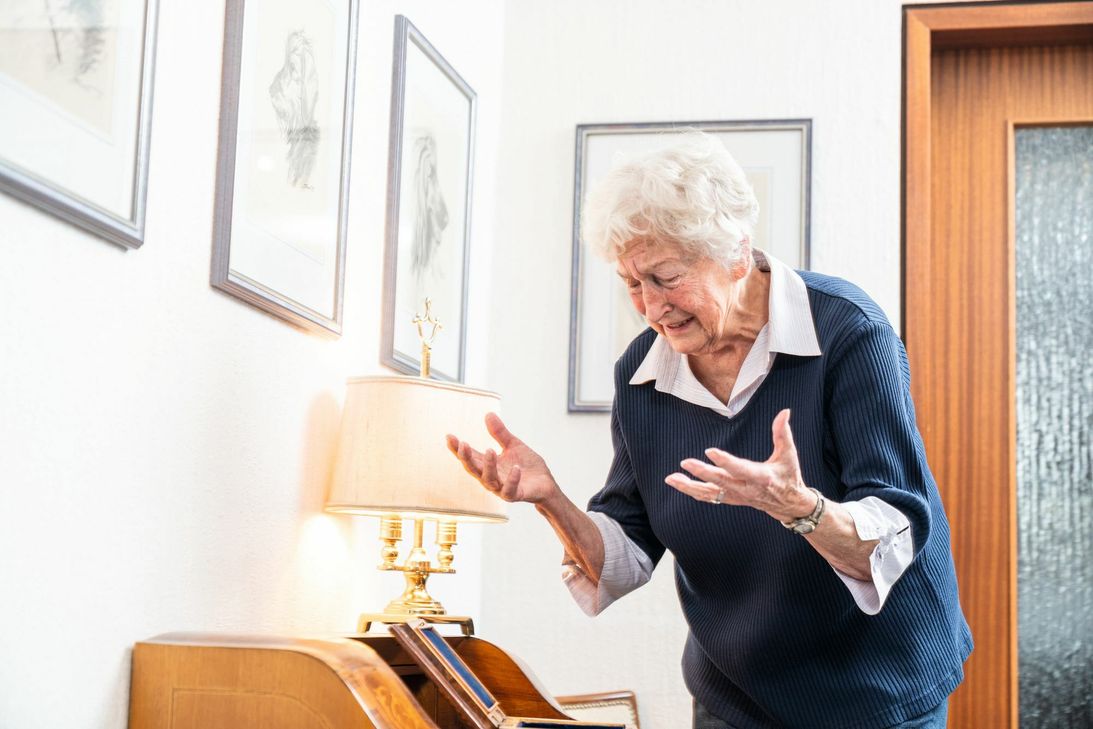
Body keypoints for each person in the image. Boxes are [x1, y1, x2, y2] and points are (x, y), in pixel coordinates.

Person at [447, 132, 972, 729]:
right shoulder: (643, 374)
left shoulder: (846, 332)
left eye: (665, 278)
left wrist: (798, 508)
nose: (649, 307)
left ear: (735, 255)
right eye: (631, 284)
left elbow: (895, 530)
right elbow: (627, 551)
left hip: (876, 687)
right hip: (737, 694)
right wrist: (549, 500)